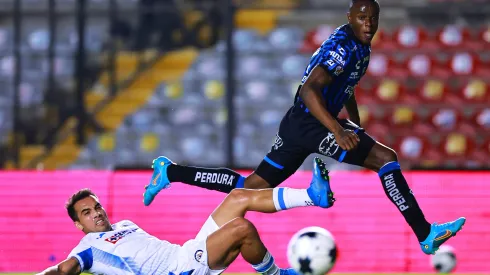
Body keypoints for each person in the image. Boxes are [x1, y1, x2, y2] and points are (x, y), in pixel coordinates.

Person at [143, 0, 466, 256]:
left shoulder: (359, 46)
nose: (369, 24)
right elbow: (310, 91)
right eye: (363, 17)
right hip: (311, 122)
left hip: (300, 123)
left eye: (374, 18)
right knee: (385, 157)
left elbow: (346, 85)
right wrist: (338, 131)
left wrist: (352, 120)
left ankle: (170, 172)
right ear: (351, 16)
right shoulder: (342, 47)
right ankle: (425, 233)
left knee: (248, 189)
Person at [36, 158, 334, 275]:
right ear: (78, 224)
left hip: (186, 255)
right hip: (178, 271)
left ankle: (312, 196)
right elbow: (63, 270)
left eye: (97, 207)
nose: (96, 213)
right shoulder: (88, 247)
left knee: (238, 197)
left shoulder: (125, 225)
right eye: (87, 213)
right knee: (241, 227)